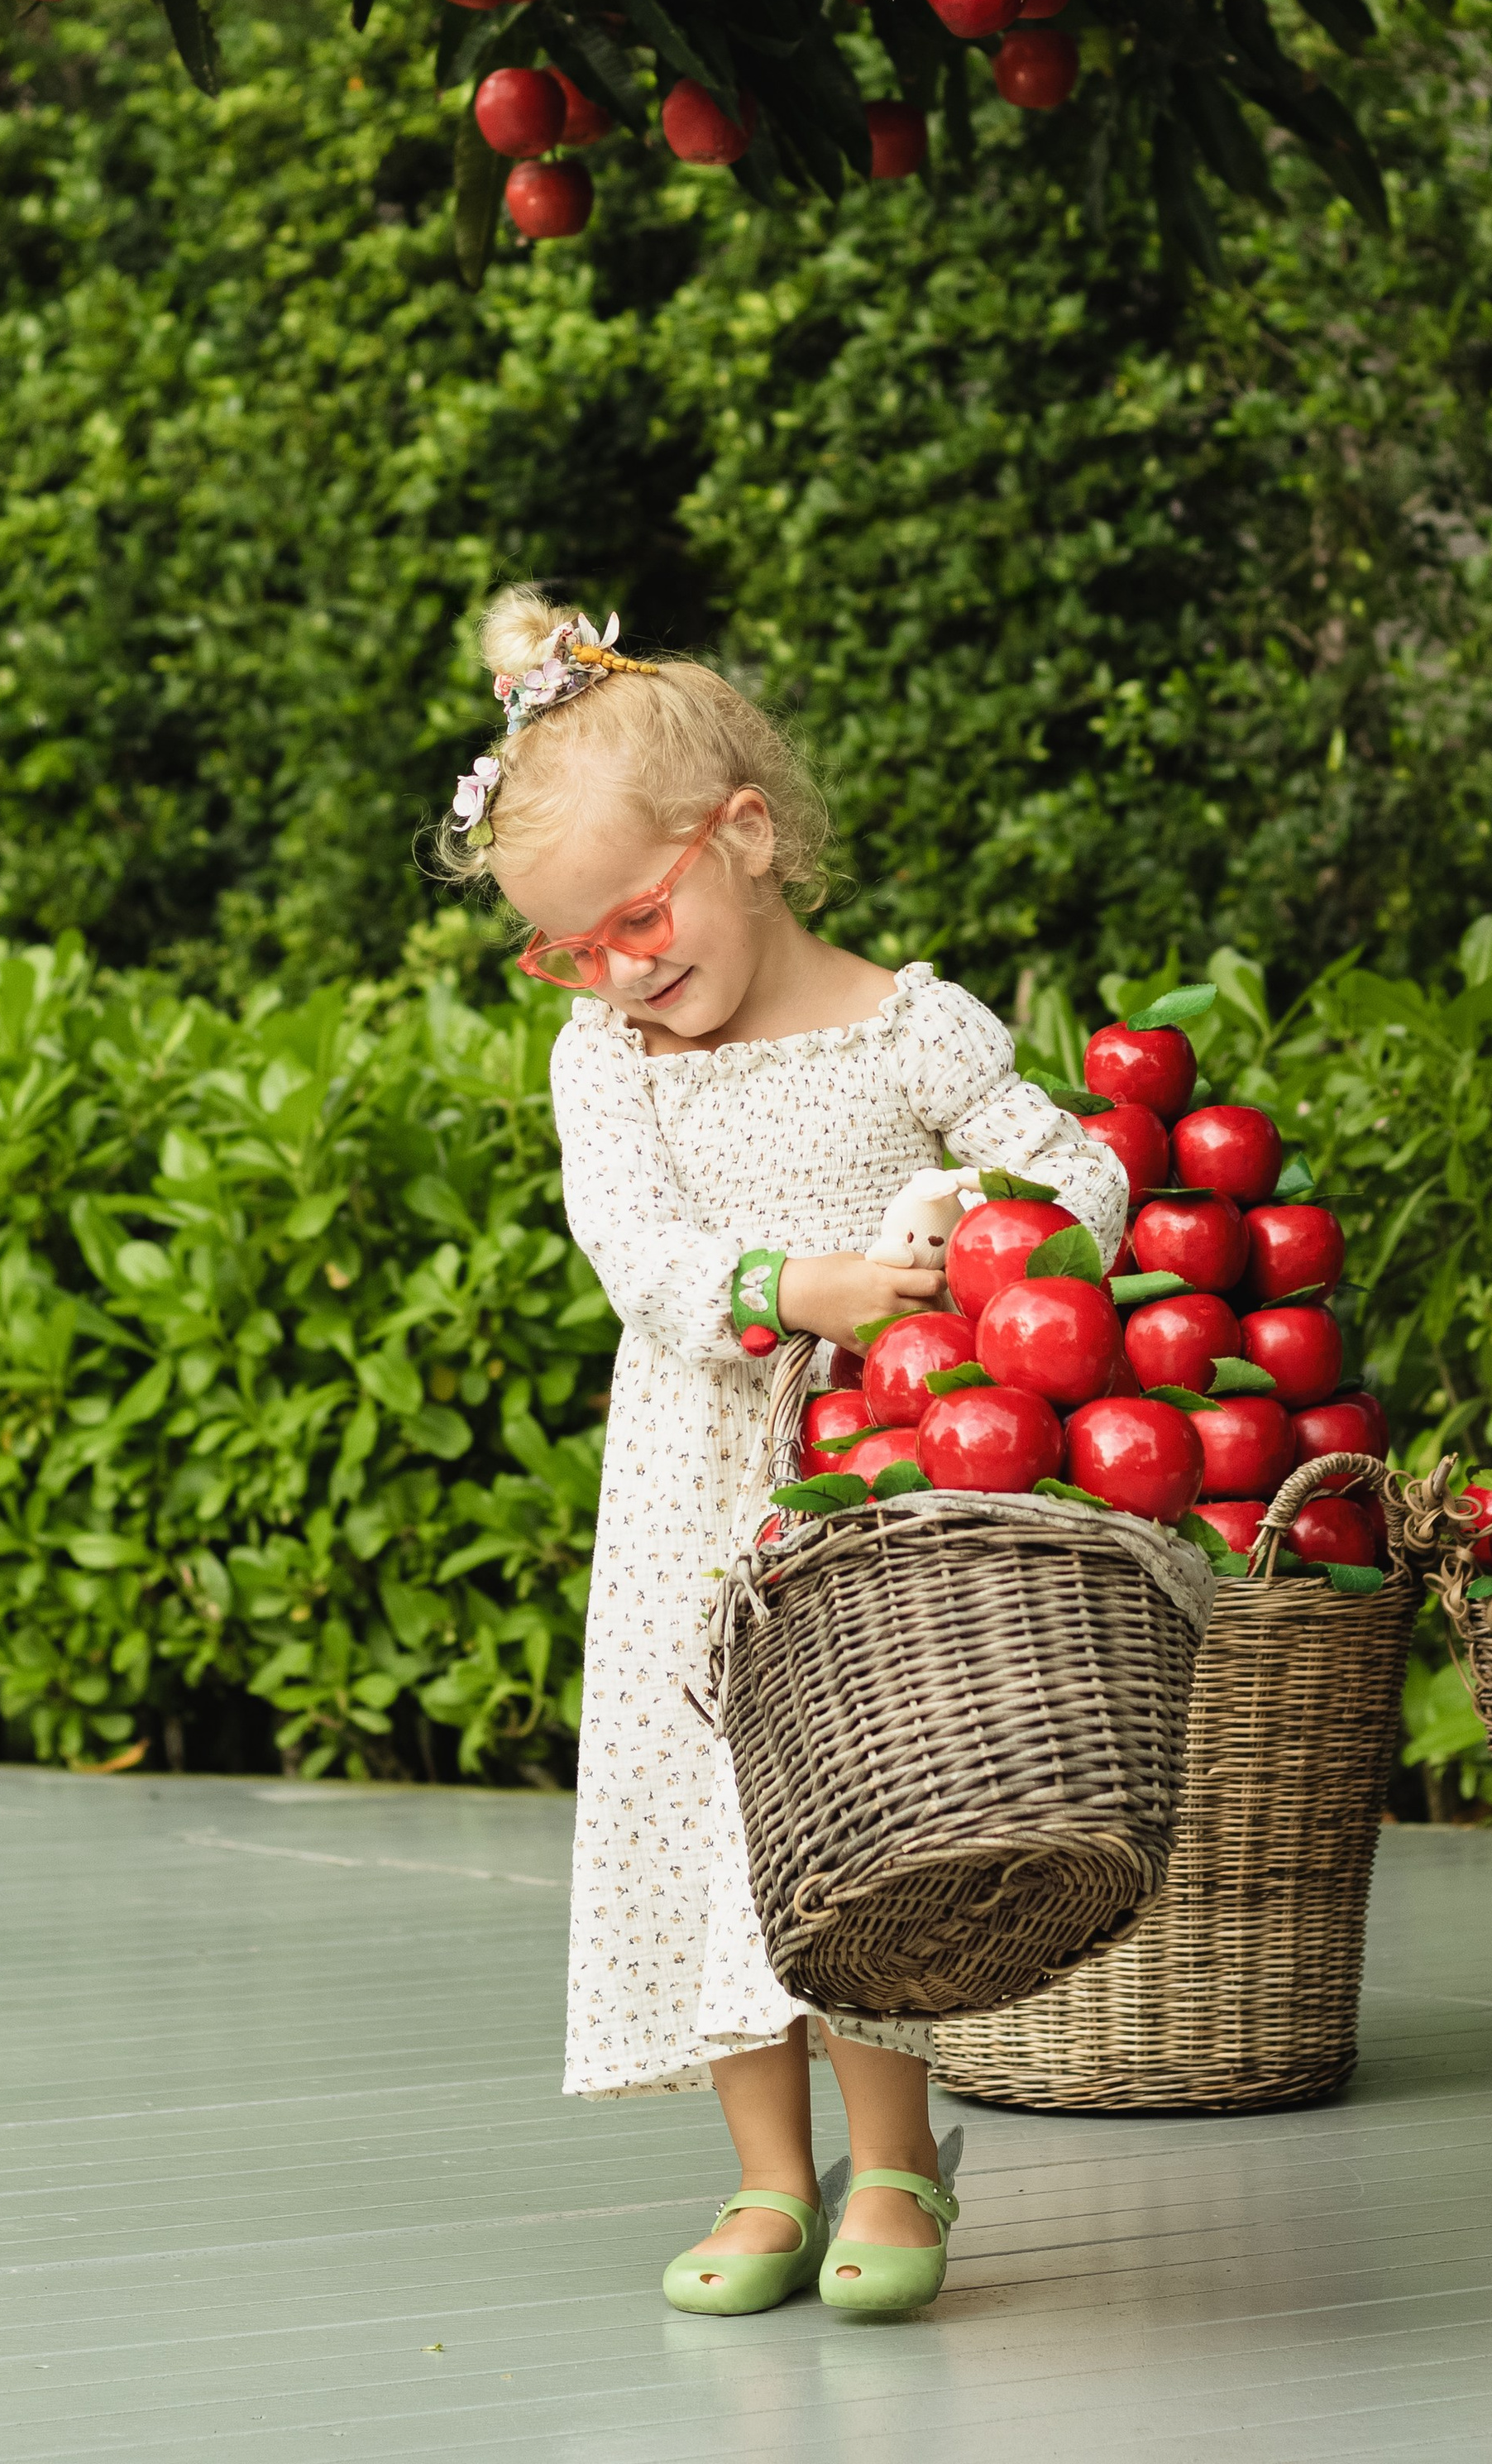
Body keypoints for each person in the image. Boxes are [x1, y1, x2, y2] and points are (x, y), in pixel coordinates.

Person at [438, 591, 1128, 2321]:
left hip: (874, 1495)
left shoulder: (913, 1028)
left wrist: (977, 1240)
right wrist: (783, 1287)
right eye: (568, 946)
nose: (616, 969)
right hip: (690, 1501)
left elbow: (1083, 1183)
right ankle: (765, 2179)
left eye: (636, 919)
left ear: (738, 834)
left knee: (863, 1818)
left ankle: (891, 2164)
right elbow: (641, 1260)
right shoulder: (608, 1067)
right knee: (707, 1819)